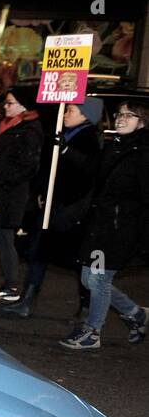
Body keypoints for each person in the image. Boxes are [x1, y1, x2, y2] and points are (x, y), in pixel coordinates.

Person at [3, 96, 104, 319]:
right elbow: (47, 168)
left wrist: (67, 151)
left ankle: (87, 307)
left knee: (78, 260)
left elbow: (89, 170)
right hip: (52, 205)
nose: (66, 113)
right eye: (66, 109)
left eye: (71, 110)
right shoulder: (61, 133)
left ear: (86, 115)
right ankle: (27, 300)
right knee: (39, 252)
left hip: (72, 209)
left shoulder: (89, 138)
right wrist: (41, 193)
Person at [59, 101, 149, 350]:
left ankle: (92, 331)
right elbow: (91, 170)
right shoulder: (115, 147)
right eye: (120, 114)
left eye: (129, 116)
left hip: (120, 230)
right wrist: (66, 151)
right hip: (101, 225)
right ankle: (136, 314)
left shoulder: (143, 153)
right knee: (91, 278)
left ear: (141, 121)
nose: (121, 119)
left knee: (97, 279)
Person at [0, 89, 42, 301]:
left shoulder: (30, 129)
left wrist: (2, 177)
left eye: (10, 103)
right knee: (4, 240)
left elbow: (29, 166)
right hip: (0, 191)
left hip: (8, 194)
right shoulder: (9, 125)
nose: (6, 106)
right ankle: (11, 286)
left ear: (22, 105)